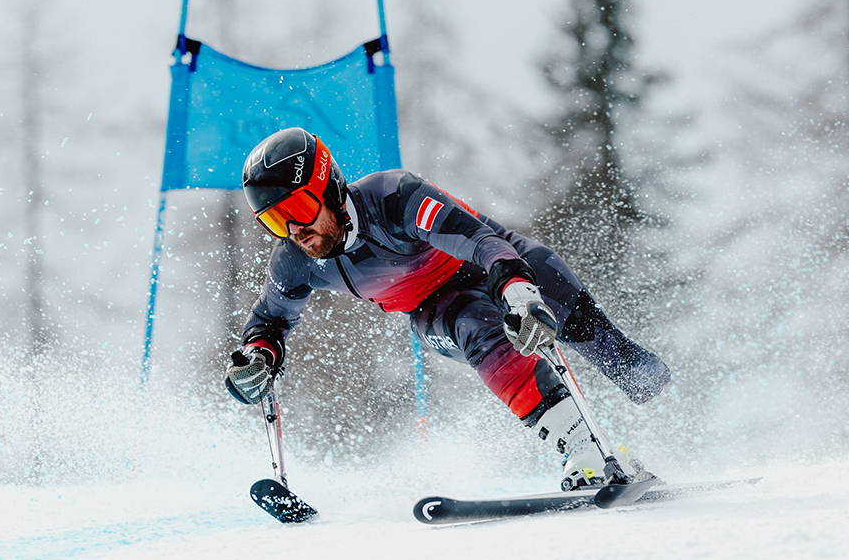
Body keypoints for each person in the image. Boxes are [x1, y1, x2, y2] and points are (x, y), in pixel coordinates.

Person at [224, 127, 670, 490]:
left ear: (330, 186)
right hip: (436, 306)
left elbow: (478, 242)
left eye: (298, 208)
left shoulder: (392, 197)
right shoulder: (295, 260)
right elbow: (269, 321)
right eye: (274, 220)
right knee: (475, 324)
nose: (294, 229)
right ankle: (585, 448)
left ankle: (667, 433)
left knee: (632, 369)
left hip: (499, 262)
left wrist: (517, 290)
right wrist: (258, 356)